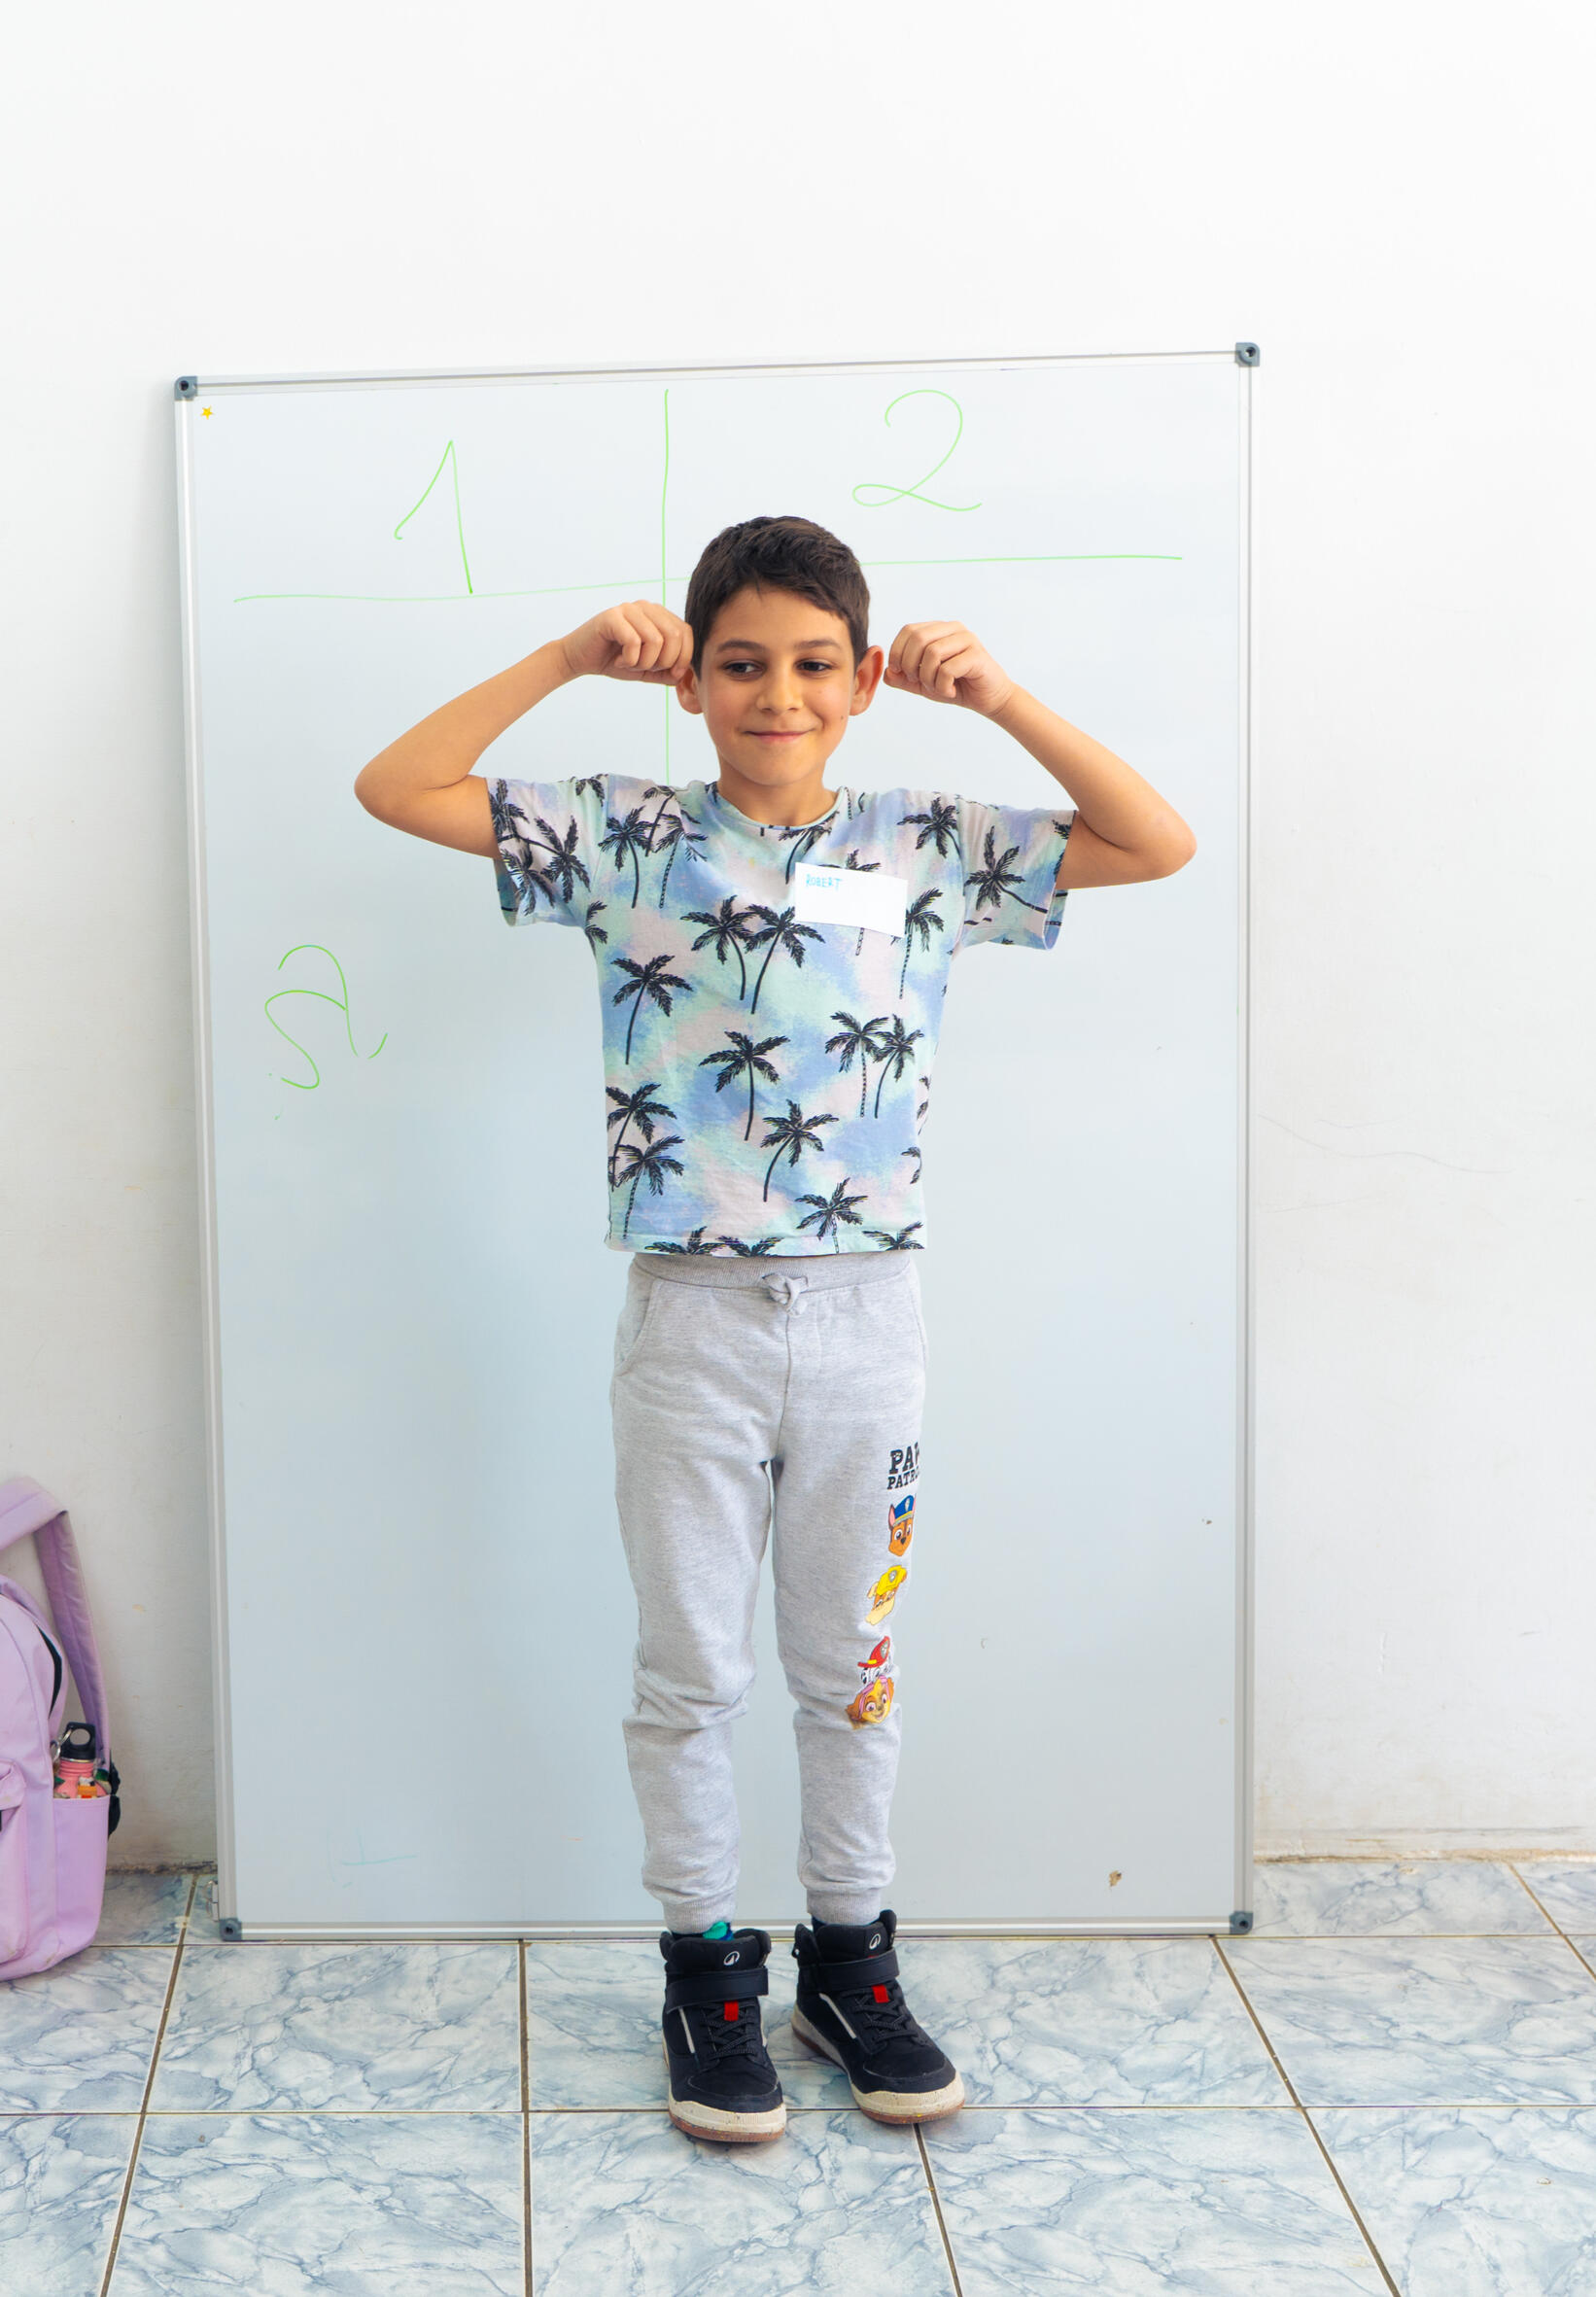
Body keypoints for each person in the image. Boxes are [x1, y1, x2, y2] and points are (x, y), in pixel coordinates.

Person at [354, 514, 1196, 2146]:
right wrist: (566, 658)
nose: (778, 694)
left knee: (847, 1671)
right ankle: (704, 1973)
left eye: (813, 664)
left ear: (864, 679)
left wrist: (1002, 699)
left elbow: (1152, 842)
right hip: (691, 1322)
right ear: (693, 684)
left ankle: (849, 1964)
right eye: (740, 663)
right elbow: (398, 786)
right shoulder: (627, 835)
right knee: (691, 1674)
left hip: (868, 1319)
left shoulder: (927, 839)